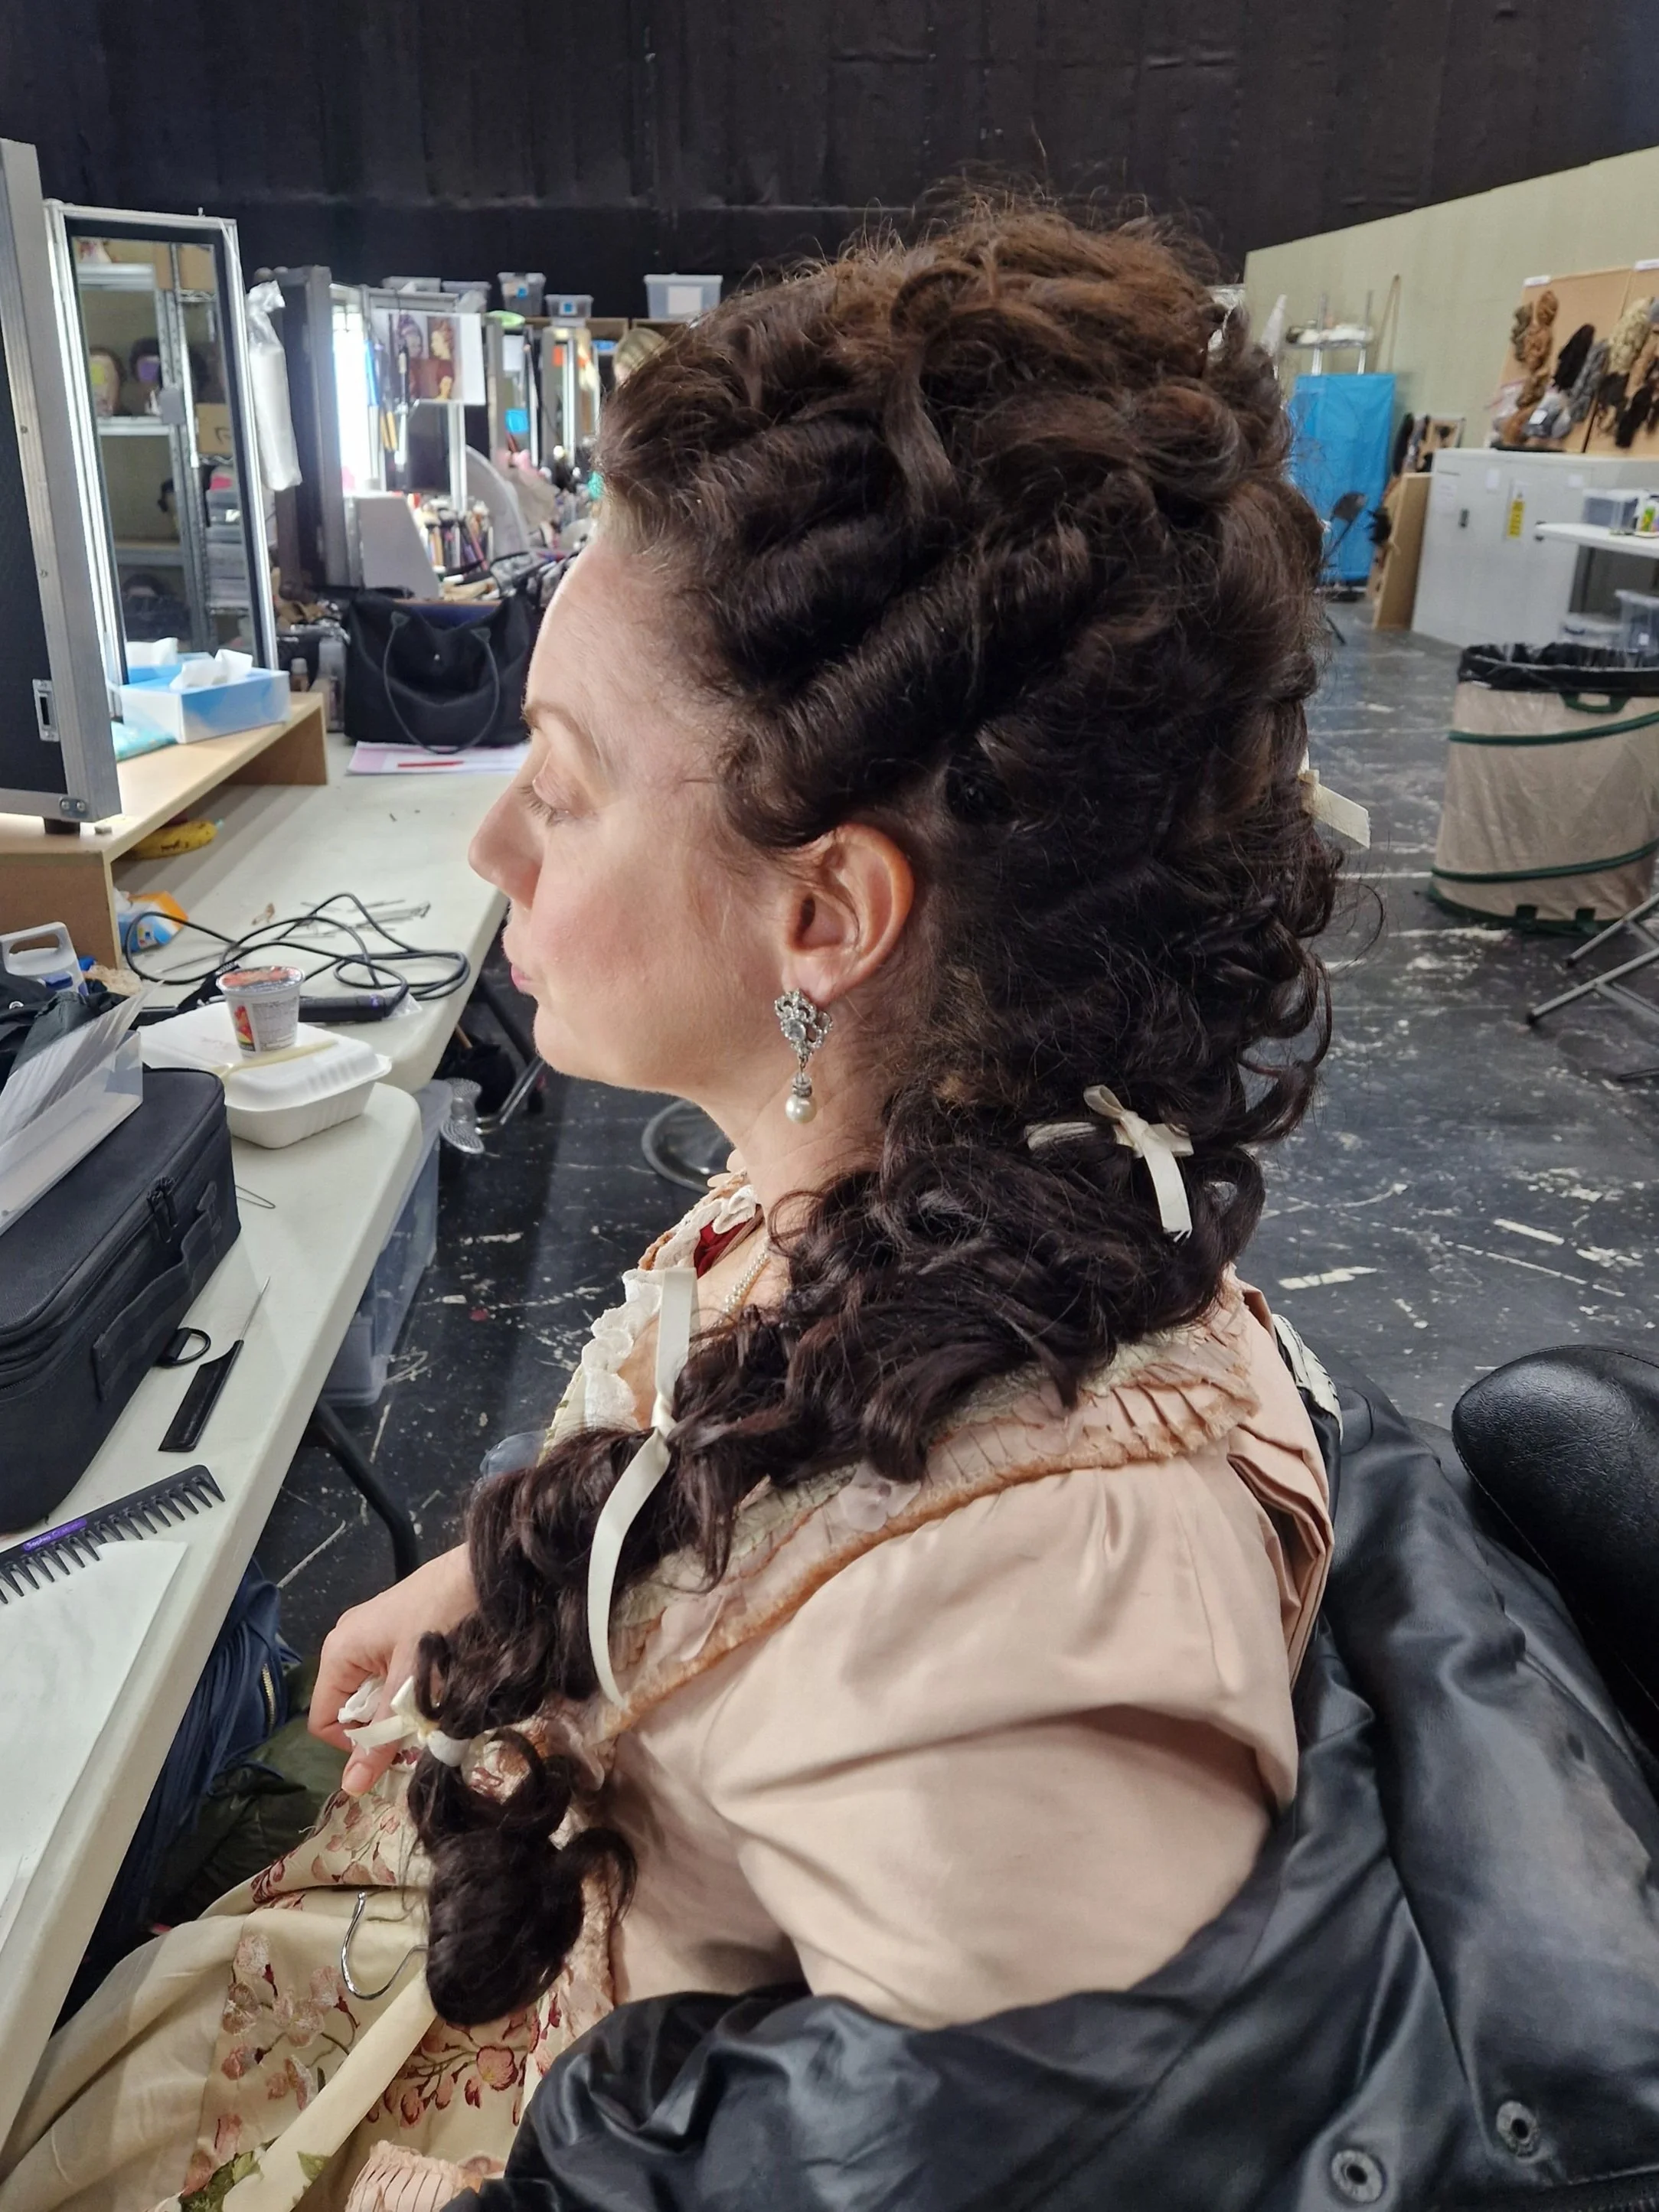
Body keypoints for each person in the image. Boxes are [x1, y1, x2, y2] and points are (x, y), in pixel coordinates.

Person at [0, 201, 1341, 2212]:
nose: (486, 844)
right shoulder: (883, 1183)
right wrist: (516, 1586)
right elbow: (758, 1464)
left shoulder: (1036, 1654)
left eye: (557, 784)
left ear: (824, 914)